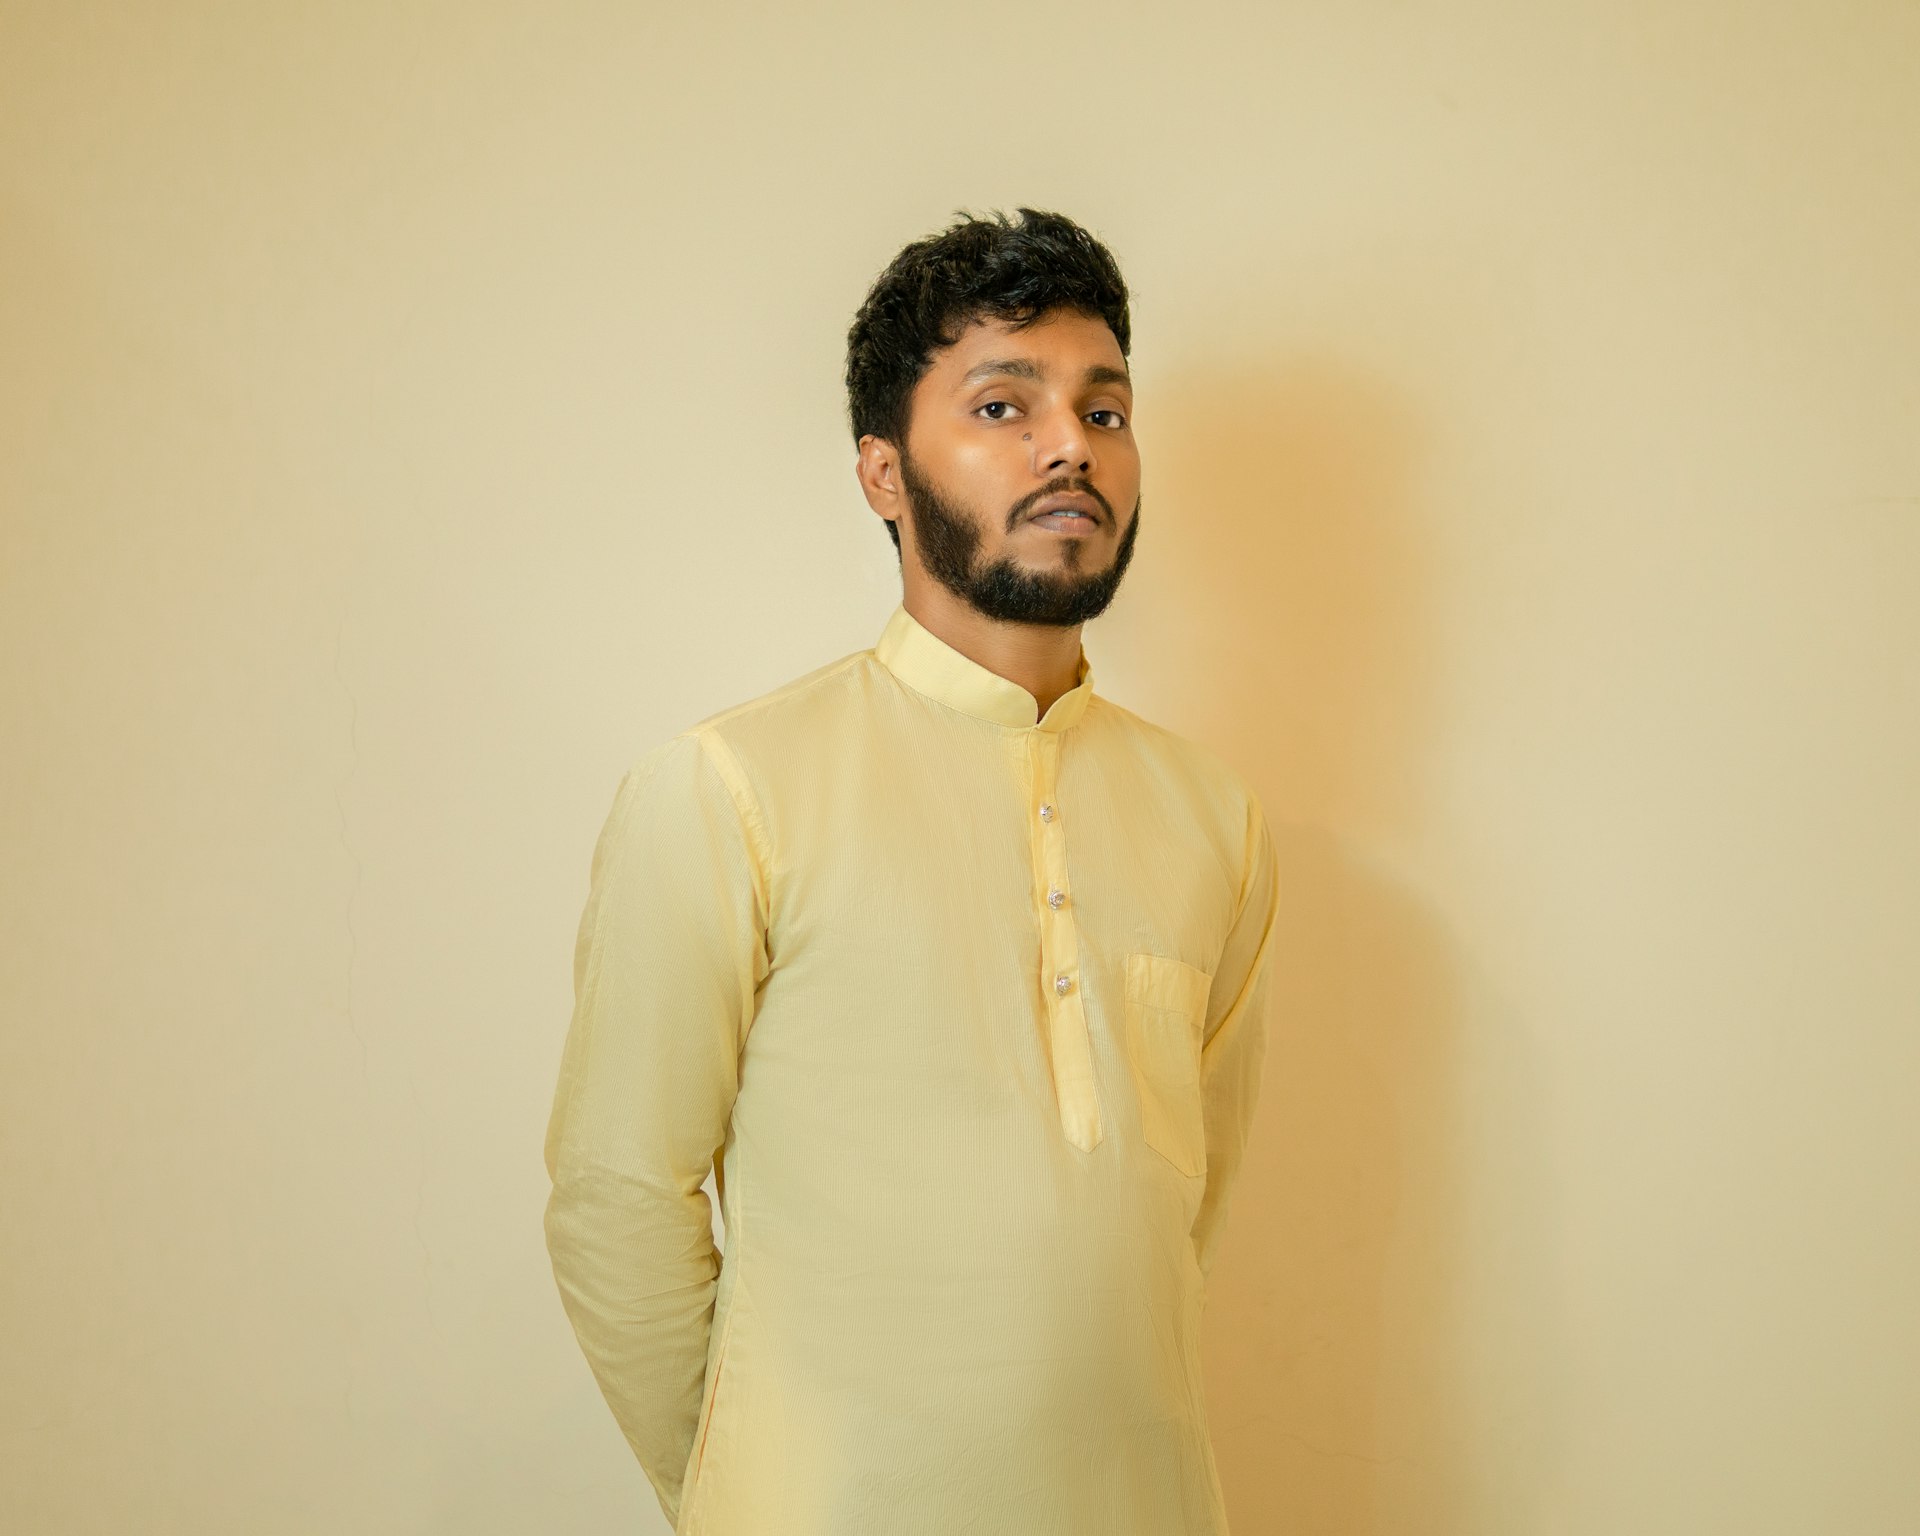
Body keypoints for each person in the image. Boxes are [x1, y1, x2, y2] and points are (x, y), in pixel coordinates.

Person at [541, 206, 1281, 1535]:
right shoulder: (730, 790)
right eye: (1004, 405)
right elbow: (618, 1199)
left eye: (1103, 411)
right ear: (883, 473)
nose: (1070, 445)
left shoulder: (1213, 819)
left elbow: (1178, 1221)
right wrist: (748, 1500)